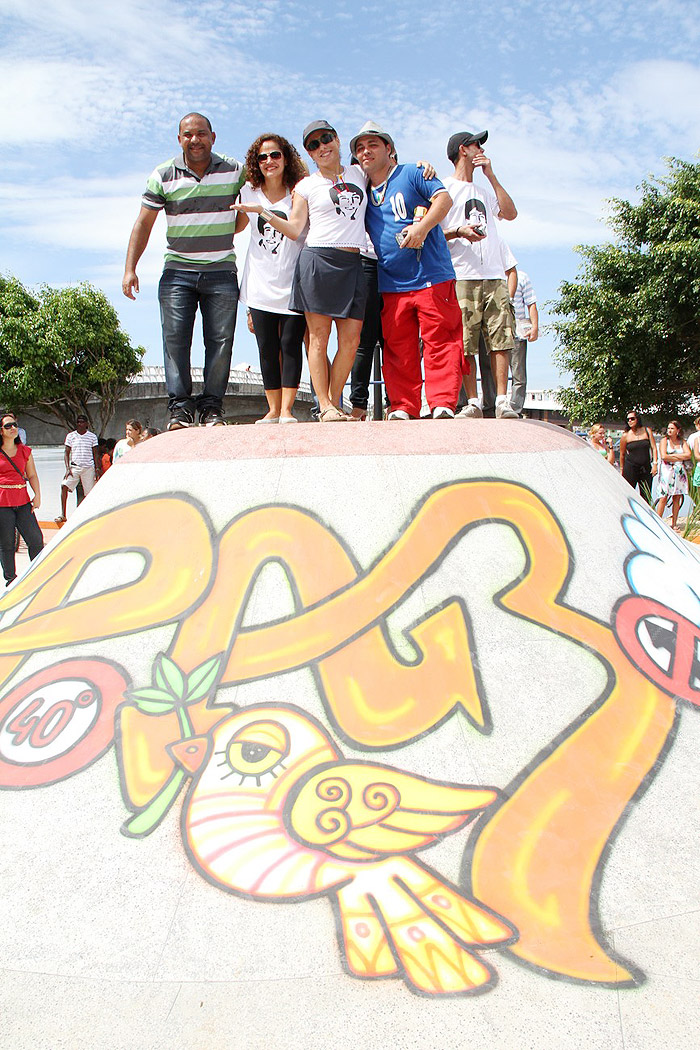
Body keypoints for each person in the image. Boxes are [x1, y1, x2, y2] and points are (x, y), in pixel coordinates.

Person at [234, 120, 367, 422]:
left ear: (337, 139)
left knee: (352, 340)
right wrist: (260, 212)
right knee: (318, 339)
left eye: (326, 139)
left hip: (353, 262)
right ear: (308, 152)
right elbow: (294, 229)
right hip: (318, 261)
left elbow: (387, 165)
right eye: (313, 144)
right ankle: (326, 406)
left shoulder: (359, 173)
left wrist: (425, 167)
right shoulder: (305, 186)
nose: (322, 147)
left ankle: (333, 401)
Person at [122, 113, 245, 430]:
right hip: (178, 273)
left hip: (222, 272)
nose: (195, 140)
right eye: (188, 134)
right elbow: (144, 223)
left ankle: (211, 408)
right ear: (180, 139)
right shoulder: (163, 174)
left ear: (213, 137)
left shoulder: (234, 171)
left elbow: (259, 199)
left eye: (201, 134)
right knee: (175, 342)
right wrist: (130, 268)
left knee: (221, 342)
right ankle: (180, 410)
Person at [351, 121, 462, 420]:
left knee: (441, 339)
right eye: (360, 148)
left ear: (390, 148)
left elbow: (444, 199)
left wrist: (423, 228)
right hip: (391, 282)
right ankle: (402, 405)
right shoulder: (359, 187)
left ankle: (442, 402)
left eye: (373, 145)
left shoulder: (413, 172)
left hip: (431, 275)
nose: (366, 152)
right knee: (398, 347)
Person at [441, 130, 518, 419]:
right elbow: (434, 231)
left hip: (495, 273)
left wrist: (491, 175)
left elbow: (510, 214)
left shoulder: (486, 190)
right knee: (465, 341)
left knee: (501, 339)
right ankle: (472, 400)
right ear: (463, 149)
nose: (481, 149)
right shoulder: (445, 188)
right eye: (477, 144)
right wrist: (459, 231)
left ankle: (501, 400)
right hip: (462, 274)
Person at [235, 134, 307, 423]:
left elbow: (297, 230)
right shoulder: (248, 192)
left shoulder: (300, 192)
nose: (269, 162)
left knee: (290, 345)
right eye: (263, 157)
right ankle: (273, 409)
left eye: (275, 155)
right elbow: (237, 226)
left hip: (293, 280)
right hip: (259, 283)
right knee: (267, 348)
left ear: (286, 158)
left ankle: (288, 410)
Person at [0, 413, 43, 587]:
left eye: (15, 425)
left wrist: (37, 495)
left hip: (23, 500)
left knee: (36, 539)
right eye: (8, 426)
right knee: (7, 543)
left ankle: (37, 575)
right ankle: (11, 580)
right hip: (2, 503)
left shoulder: (25, 451)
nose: (13, 429)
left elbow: (31, 474)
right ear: (1, 431)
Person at [56, 415, 100, 523]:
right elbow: (66, 452)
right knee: (64, 486)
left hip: (88, 468)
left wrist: (97, 468)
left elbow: (95, 453)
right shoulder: (71, 436)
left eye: (82, 422)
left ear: (86, 424)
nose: (80, 424)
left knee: (88, 493)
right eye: (78, 422)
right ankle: (63, 514)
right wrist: (67, 468)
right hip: (75, 467)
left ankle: (88, 515)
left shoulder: (92, 437)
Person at [509, 268, 538, 416]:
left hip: (517, 328)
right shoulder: (492, 273)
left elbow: (531, 303)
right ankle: (493, 404)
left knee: (518, 372)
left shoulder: (522, 277)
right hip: (496, 327)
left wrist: (534, 327)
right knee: (491, 369)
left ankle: (515, 408)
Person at [656, 420, 690, 531]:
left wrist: (673, 456)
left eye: (672, 428)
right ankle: (658, 521)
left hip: (679, 471)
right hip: (667, 470)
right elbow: (664, 456)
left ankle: (674, 523)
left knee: (677, 496)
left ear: (677, 430)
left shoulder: (682, 442)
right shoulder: (664, 441)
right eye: (669, 428)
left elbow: (688, 454)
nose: (669, 430)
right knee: (663, 496)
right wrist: (680, 456)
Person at [619, 410, 658, 502]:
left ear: (638, 419)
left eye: (632, 419)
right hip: (630, 468)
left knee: (646, 495)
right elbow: (622, 454)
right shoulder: (625, 435)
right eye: (628, 419)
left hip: (645, 467)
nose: (630, 421)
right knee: (628, 494)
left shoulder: (647, 431)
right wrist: (621, 470)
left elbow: (654, 448)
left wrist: (655, 464)